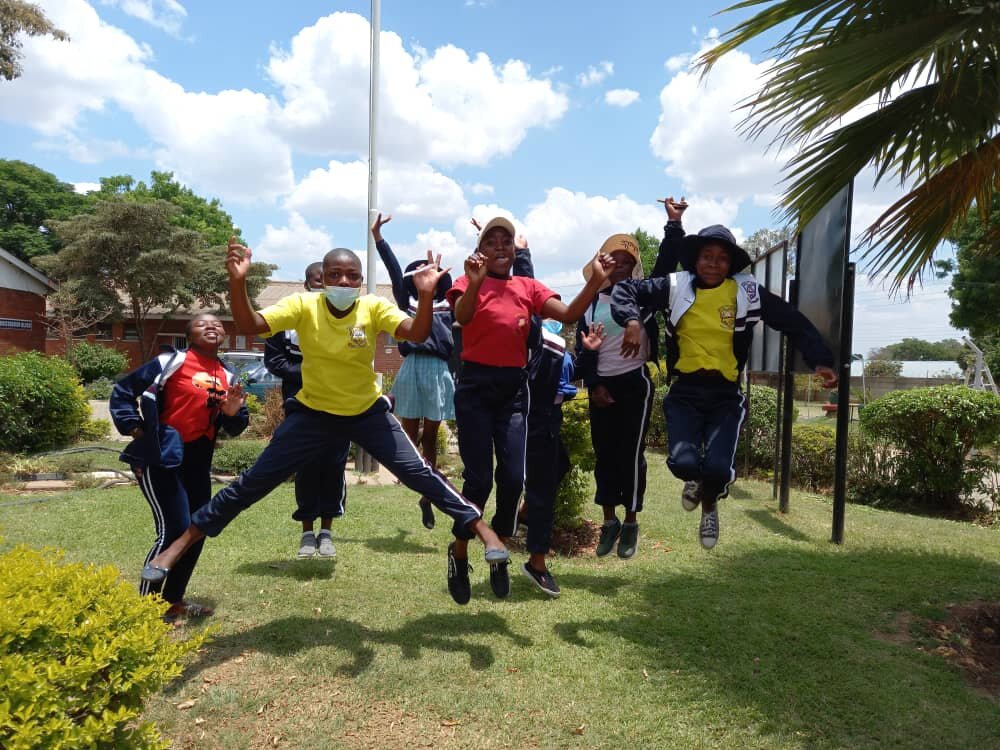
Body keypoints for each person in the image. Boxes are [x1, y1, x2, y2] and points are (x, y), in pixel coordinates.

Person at [139, 238, 511, 605]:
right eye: (335, 274)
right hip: (313, 415)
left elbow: (416, 333)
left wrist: (426, 295)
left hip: (366, 413)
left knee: (419, 473)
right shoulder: (303, 305)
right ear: (324, 277)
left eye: (352, 276)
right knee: (252, 483)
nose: (344, 282)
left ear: (361, 280)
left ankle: (484, 531)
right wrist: (237, 282)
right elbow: (250, 324)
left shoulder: (373, 307)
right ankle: (178, 545)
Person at [611, 224, 838, 549]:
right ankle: (695, 480)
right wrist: (632, 321)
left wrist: (821, 360)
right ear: (696, 259)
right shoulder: (675, 286)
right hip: (685, 392)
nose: (713, 264)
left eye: (722, 258)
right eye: (707, 256)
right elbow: (626, 290)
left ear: (730, 264)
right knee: (684, 463)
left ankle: (710, 504)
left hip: (725, 396)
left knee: (718, 468)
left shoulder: (747, 292)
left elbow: (791, 320)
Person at [445, 216, 614, 601]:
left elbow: (568, 314)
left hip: (513, 391)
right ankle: (459, 550)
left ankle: (499, 548)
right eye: (491, 241)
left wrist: (595, 280)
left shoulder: (527, 286)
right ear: (480, 249)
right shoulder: (466, 282)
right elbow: (462, 318)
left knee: (513, 479)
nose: (500, 246)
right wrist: (475, 282)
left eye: (506, 241)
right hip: (474, 388)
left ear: (514, 249)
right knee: (478, 481)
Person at [110, 313, 249, 622]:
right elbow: (122, 392)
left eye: (217, 324)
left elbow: (237, 424)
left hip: (198, 461)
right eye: (202, 324)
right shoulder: (170, 362)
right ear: (189, 334)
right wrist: (138, 431)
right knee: (173, 529)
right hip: (163, 457)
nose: (211, 326)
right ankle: (146, 609)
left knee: (197, 529)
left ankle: (173, 601)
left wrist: (231, 413)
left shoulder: (228, 375)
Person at [574, 198, 688, 559]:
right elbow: (581, 352)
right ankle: (608, 521)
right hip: (602, 387)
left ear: (634, 268)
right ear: (601, 263)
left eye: (627, 262)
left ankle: (631, 521)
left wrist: (673, 224)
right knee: (604, 454)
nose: (620, 267)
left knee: (630, 453)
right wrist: (594, 384)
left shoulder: (642, 296)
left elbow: (667, 263)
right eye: (613, 260)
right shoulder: (589, 302)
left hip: (634, 383)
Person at [371, 213, 455, 531]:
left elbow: (475, 281)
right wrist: (379, 239)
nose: (425, 275)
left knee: (430, 436)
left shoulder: (448, 305)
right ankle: (415, 478)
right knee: (408, 436)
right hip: (412, 367)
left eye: (430, 272)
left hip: (437, 371)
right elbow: (395, 272)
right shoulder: (406, 303)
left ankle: (427, 496)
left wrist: (479, 243)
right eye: (419, 272)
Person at [264, 261, 348, 559]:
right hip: (300, 404)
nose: (323, 286)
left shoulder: (347, 317)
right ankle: (307, 534)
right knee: (306, 466)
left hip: (339, 404)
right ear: (306, 284)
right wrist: (312, 372)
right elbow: (275, 361)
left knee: (334, 466)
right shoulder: (287, 318)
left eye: (327, 280)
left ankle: (327, 532)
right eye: (317, 280)